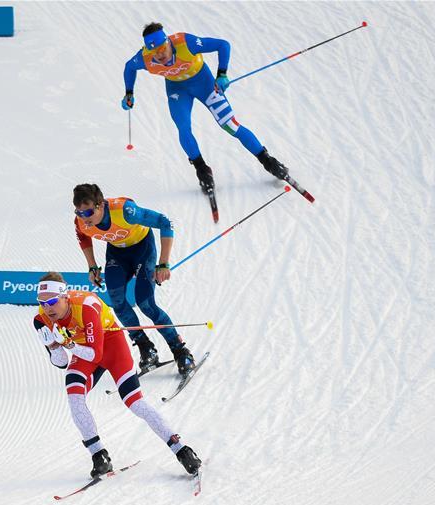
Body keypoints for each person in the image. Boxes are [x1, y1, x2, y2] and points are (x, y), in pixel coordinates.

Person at [34, 272, 201, 477]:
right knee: (74, 397)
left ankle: (182, 449)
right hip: (83, 352)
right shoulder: (41, 319)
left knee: (135, 403)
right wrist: (52, 345)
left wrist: (68, 343)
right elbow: (62, 363)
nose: (47, 308)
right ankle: (99, 456)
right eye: (42, 302)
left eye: (52, 301)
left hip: (111, 346)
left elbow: (96, 354)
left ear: (65, 296)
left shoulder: (86, 305)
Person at [121, 22, 290, 194]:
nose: (160, 55)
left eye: (162, 48)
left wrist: (222, 74)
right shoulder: (145, 58)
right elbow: (129, 67)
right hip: (177, 90)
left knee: (230, 125)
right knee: (184, 129)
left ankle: (267, 160)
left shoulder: (186, 43)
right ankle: (202, 169)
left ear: (168, 42)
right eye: (154, 52)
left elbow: (222, 45)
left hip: (204, 83)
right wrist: (129, 93)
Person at [72, 183, 196, 376]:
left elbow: (165, 222)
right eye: (79, 213)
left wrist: (163, 263)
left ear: (100, 205)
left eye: (87, 213)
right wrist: (92, 266)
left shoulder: (125, 211)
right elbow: (83, 237)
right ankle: (146, 348)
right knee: (117, 302)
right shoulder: (81, 221)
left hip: (142, 249)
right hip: (117, 254)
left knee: (145, 303)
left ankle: (180, 350)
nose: (84, 219)